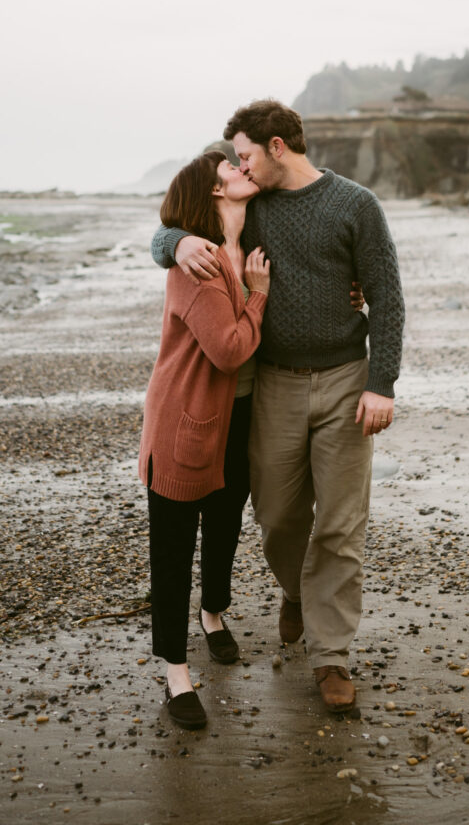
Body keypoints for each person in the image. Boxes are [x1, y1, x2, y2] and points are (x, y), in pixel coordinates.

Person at [151, 99, 405, 715]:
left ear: (276, 148)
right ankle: (297, 590)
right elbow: (172, 225)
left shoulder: (355, 205)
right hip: (273, 385)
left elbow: (387, 296)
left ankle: (332, 659)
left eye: (243, 154)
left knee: (341, 525)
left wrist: (382, 383)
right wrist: (175, 240)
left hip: (346, 379)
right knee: (277, 515)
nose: (238, 164)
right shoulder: (250, 205)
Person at [138, 150, 270, 730]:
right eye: (231, 170)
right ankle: (175, 674)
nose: (243, 170)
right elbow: (229, 349)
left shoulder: (256, 232)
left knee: (224, 526)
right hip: (185, 421)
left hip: (240, 417)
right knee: (172, 552)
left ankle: (213, 613)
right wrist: (259, 294)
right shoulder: (198, 261)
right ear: (214, 193)